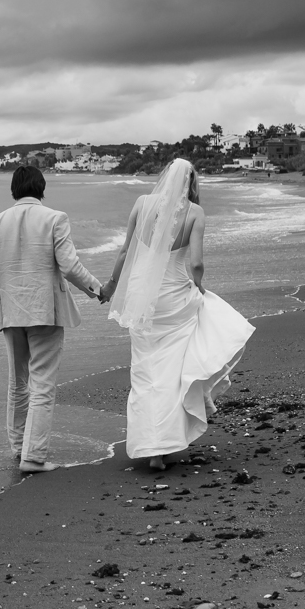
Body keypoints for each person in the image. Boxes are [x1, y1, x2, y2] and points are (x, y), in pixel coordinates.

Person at [99, 159, 254, 470]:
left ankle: (151, 450)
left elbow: (124, 252)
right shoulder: (195, 213)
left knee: (144, 373)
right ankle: (165, 445)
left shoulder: (142, 204)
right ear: (192, 183)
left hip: (142, 298)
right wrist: (198, 288)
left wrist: (110, 287)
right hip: (174, 300)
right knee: (170, 372)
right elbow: (196, 264)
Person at [0, 166, 103, 473]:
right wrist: (97, 289)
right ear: (41, 188)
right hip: (45, 310)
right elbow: (69, 267)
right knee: (42, 384)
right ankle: (34, 456)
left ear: (14, 190)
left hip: (11, 312)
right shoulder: (55, 218)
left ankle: (19, 449)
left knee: (18, 384)